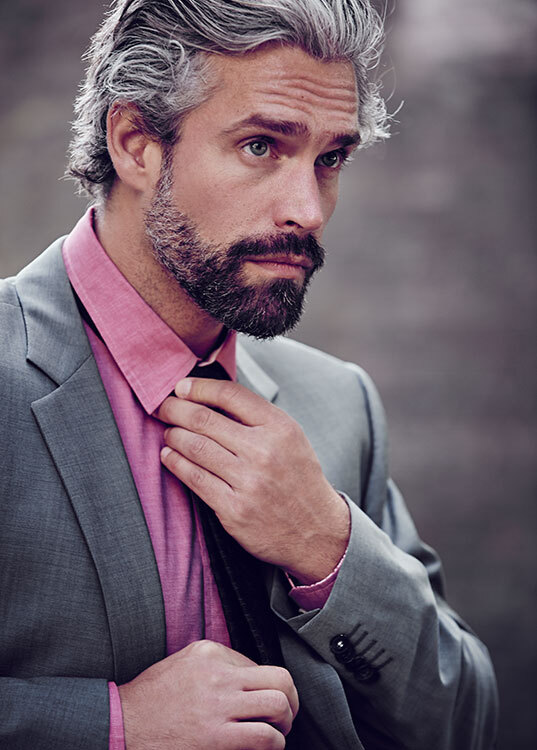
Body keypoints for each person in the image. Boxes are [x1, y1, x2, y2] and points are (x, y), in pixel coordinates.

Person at [0, 1, 498, 748]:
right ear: (135, 144)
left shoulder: (339, 404)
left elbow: (465, 722)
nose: (308, 210)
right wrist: (115, 726)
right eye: (262, 145)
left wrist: (327, 545)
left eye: (330, 158)